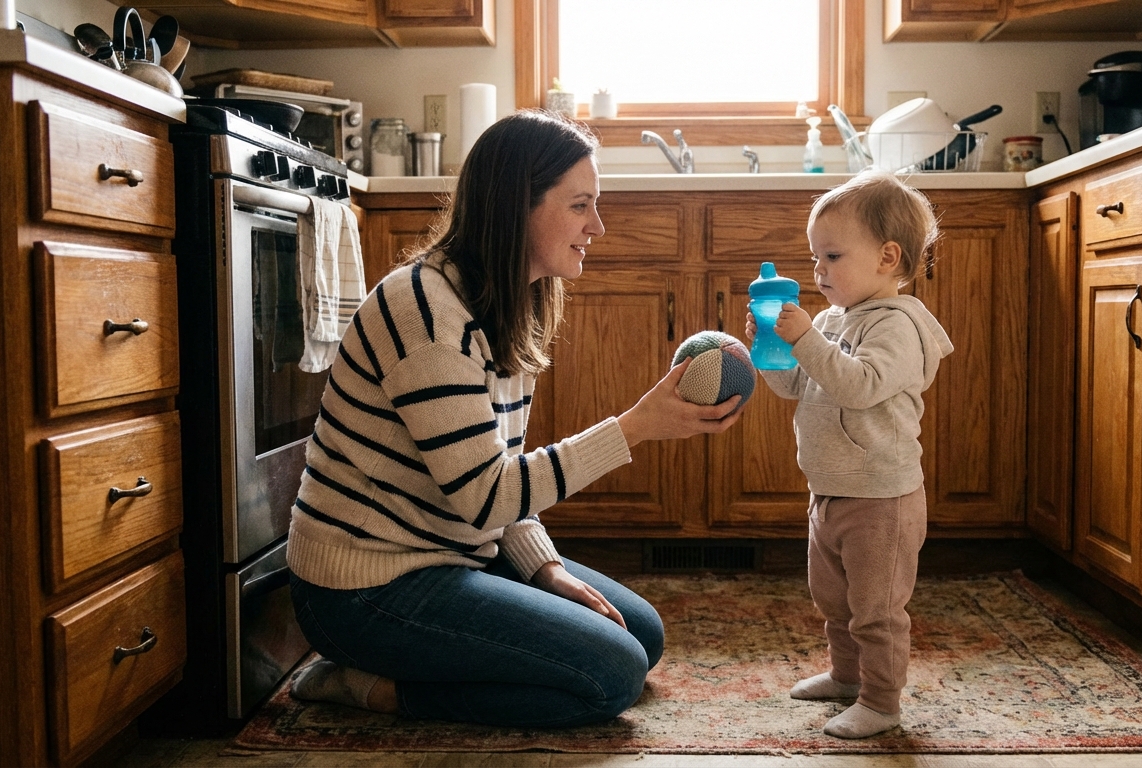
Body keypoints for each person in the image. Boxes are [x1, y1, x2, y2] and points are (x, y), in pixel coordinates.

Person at [285, 110, 743, 728]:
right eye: (581, 205)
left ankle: (439, 660)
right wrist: (635, 426)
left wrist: (545, 569)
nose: (597, 227)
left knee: (642, 635)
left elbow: (498, 473)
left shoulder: (505, 302)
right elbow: (485, 498)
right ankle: (364, 685)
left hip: (449, 551)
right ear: (515, 205)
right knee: (610, 676)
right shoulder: (425, 309)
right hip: (364, 587)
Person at [746, 170, 953, 739]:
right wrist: (773, 351)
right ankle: (845, 676)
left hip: (881, 498)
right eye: (815, 257)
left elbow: (858, 385)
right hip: (830, 490)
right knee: (834, 598)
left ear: (888, 257)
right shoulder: (835, 320)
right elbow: (801, 386)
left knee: (877, 610)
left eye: (832, 256)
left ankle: (882, 702)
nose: (818, 272)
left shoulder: (899, 327)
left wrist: (806, 339)